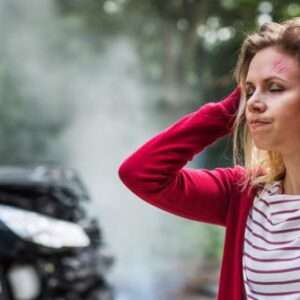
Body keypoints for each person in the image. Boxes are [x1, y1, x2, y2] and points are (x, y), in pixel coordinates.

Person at [118, 17, 300, 300]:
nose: (253, 102)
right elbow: (141, 173)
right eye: (248, 90)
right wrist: (229, 110)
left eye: (275, 87)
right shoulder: (244, 193)